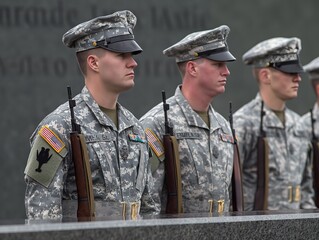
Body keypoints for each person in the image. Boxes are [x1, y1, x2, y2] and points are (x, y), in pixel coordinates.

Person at [24, 10, 159, 220]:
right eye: (122, 55)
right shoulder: (59, 127)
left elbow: (149, 208)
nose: (133, 63)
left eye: (131, 56)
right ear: (94, 63)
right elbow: (42, 216)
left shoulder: (135, 128)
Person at [140, 25, 236, 213]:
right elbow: (148, 204)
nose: (226, 71)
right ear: (192, 68)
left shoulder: (223, 126)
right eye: (218, 64)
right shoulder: (158, 123)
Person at [233, 37, 315, 211]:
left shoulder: (299, 125)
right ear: (265, 75)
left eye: (298, 72)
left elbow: (306, 190)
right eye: (290, 72)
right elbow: (231, 190)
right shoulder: (243, 123)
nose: (298, 78)